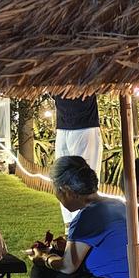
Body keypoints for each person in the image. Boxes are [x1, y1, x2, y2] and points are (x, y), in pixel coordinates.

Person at [51, 95, 102, 225]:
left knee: (76, 176)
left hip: (76, 126)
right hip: (72, 126)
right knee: (68, 175)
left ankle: (81, 222)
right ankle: (75, 223)